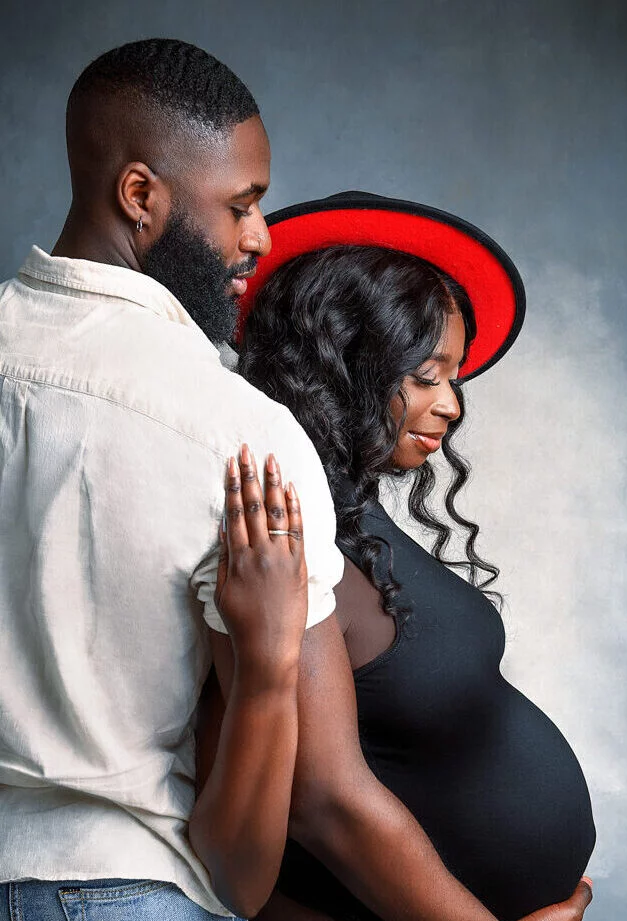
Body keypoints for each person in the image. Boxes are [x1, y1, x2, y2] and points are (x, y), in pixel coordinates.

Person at [0, 39, 344, 920]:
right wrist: (267, 668)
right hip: (122, 887)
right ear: (139, 194)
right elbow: (240, 875)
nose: (259, 238)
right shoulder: (243, 441)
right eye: (240, 205)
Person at [219, 192, 596, 921]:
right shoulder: (284, 531)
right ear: (342, 362)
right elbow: (323, 804)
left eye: (453, 378)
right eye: (426, 375)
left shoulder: (353, 513)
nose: (451, 405)